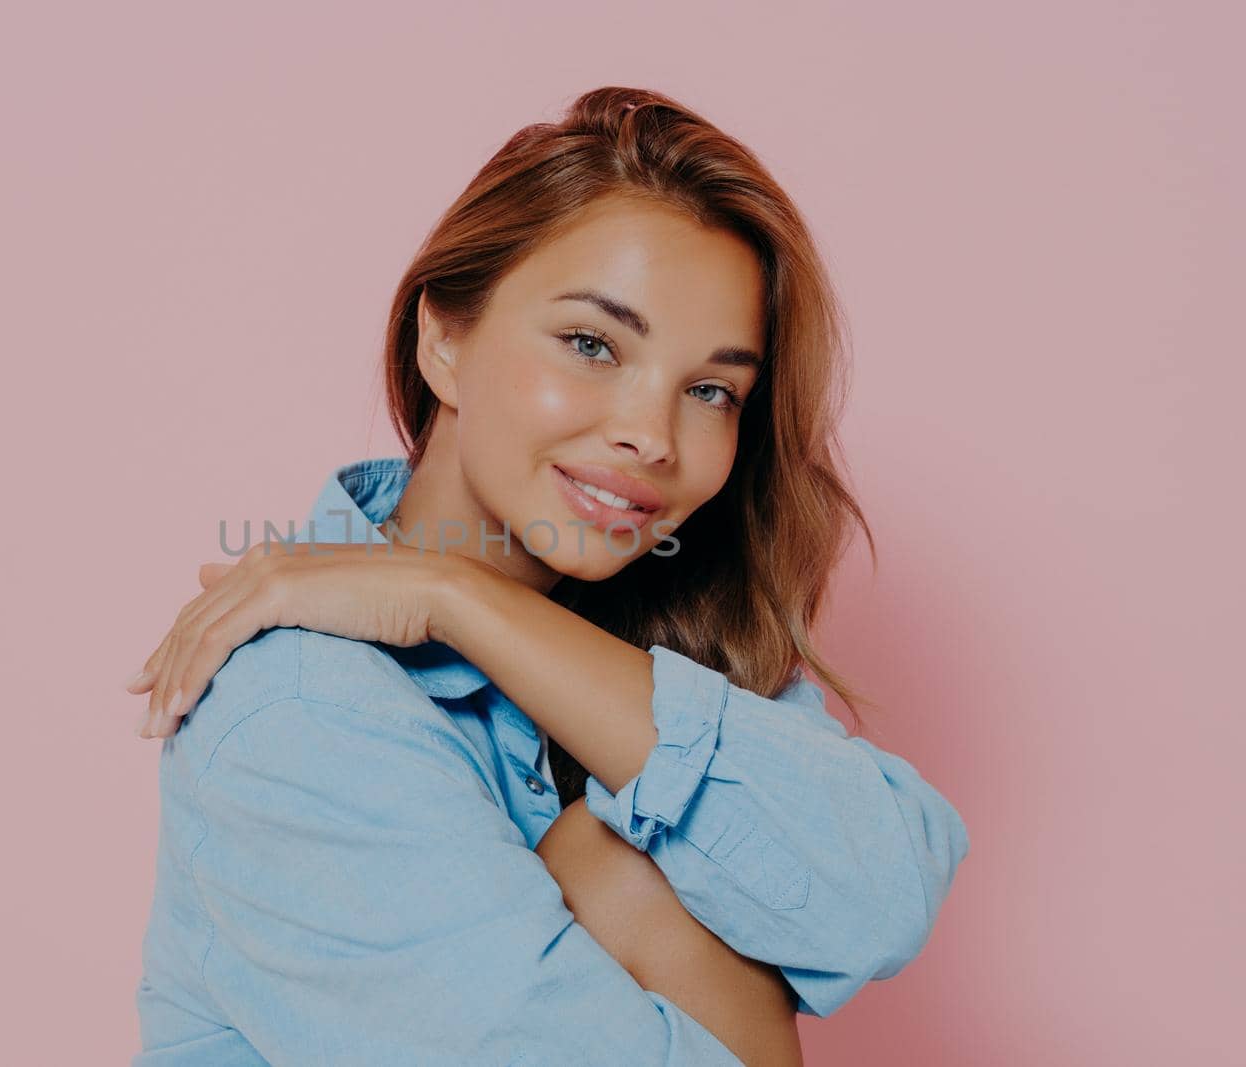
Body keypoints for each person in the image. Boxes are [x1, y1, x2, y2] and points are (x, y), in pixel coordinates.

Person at [128, 86, 969, 1065]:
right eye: (590, 344)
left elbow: (880, 900)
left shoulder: (663, 638)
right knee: (644, 859)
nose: (650, 436)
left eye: (710, 390)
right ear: (442, 338)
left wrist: (459, 596)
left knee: (642, 850)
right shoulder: (296, 704)